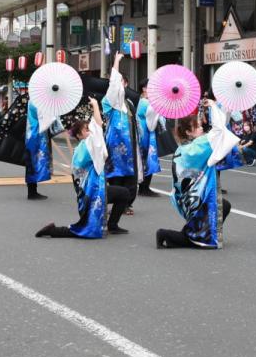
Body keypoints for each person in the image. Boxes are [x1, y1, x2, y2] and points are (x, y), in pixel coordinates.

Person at [36, 98, 135, 238]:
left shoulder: (82, 148)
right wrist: (95, 105)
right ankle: (53, 230)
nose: (90, 131)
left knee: (123, 193)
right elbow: (99, 126)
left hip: (91, 191)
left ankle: (112, 225)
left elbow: (99, 137)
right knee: (87, 229)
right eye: (86, 129)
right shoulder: (88, 146)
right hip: (92, 193)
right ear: (79, 135)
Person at [156, 100, 239, 249]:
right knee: (196, 236)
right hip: (199, 196)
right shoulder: (199, 145)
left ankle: (193, 233)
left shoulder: (184, 148)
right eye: (199, 127)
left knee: (223, 206)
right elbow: (219, 130)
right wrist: (214, 106)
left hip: (191, 197)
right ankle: (166, 234)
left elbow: (219, 132)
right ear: (188, 132)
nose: (202, 129)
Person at [102, 52, 141, 214]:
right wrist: (116, 62)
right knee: (116, 175)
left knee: (131, 176)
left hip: (130, 145)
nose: (120, 86)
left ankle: (127, 204)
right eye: (118, 82)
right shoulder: (110, 102)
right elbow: (113, 85)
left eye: (122, 82)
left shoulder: (129, 103)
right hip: (116, 147)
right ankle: (115, 203)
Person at [24, 88, 70, 201]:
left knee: (32, 163)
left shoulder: (32, 100)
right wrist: (54, 114)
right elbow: (46, 120)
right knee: (36, 163)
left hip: (31, 134)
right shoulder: (38, 102)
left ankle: (32, 191)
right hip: (37, 135)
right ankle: (32, 192)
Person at [135, 79, 164, 198]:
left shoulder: (142, 101)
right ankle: (144, 188)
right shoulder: (147, 103)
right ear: (144, 88)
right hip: (146, 132)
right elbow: (152, 124)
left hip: (141, 130)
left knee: (143, 159)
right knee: (148, 159)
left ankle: (143, 187)